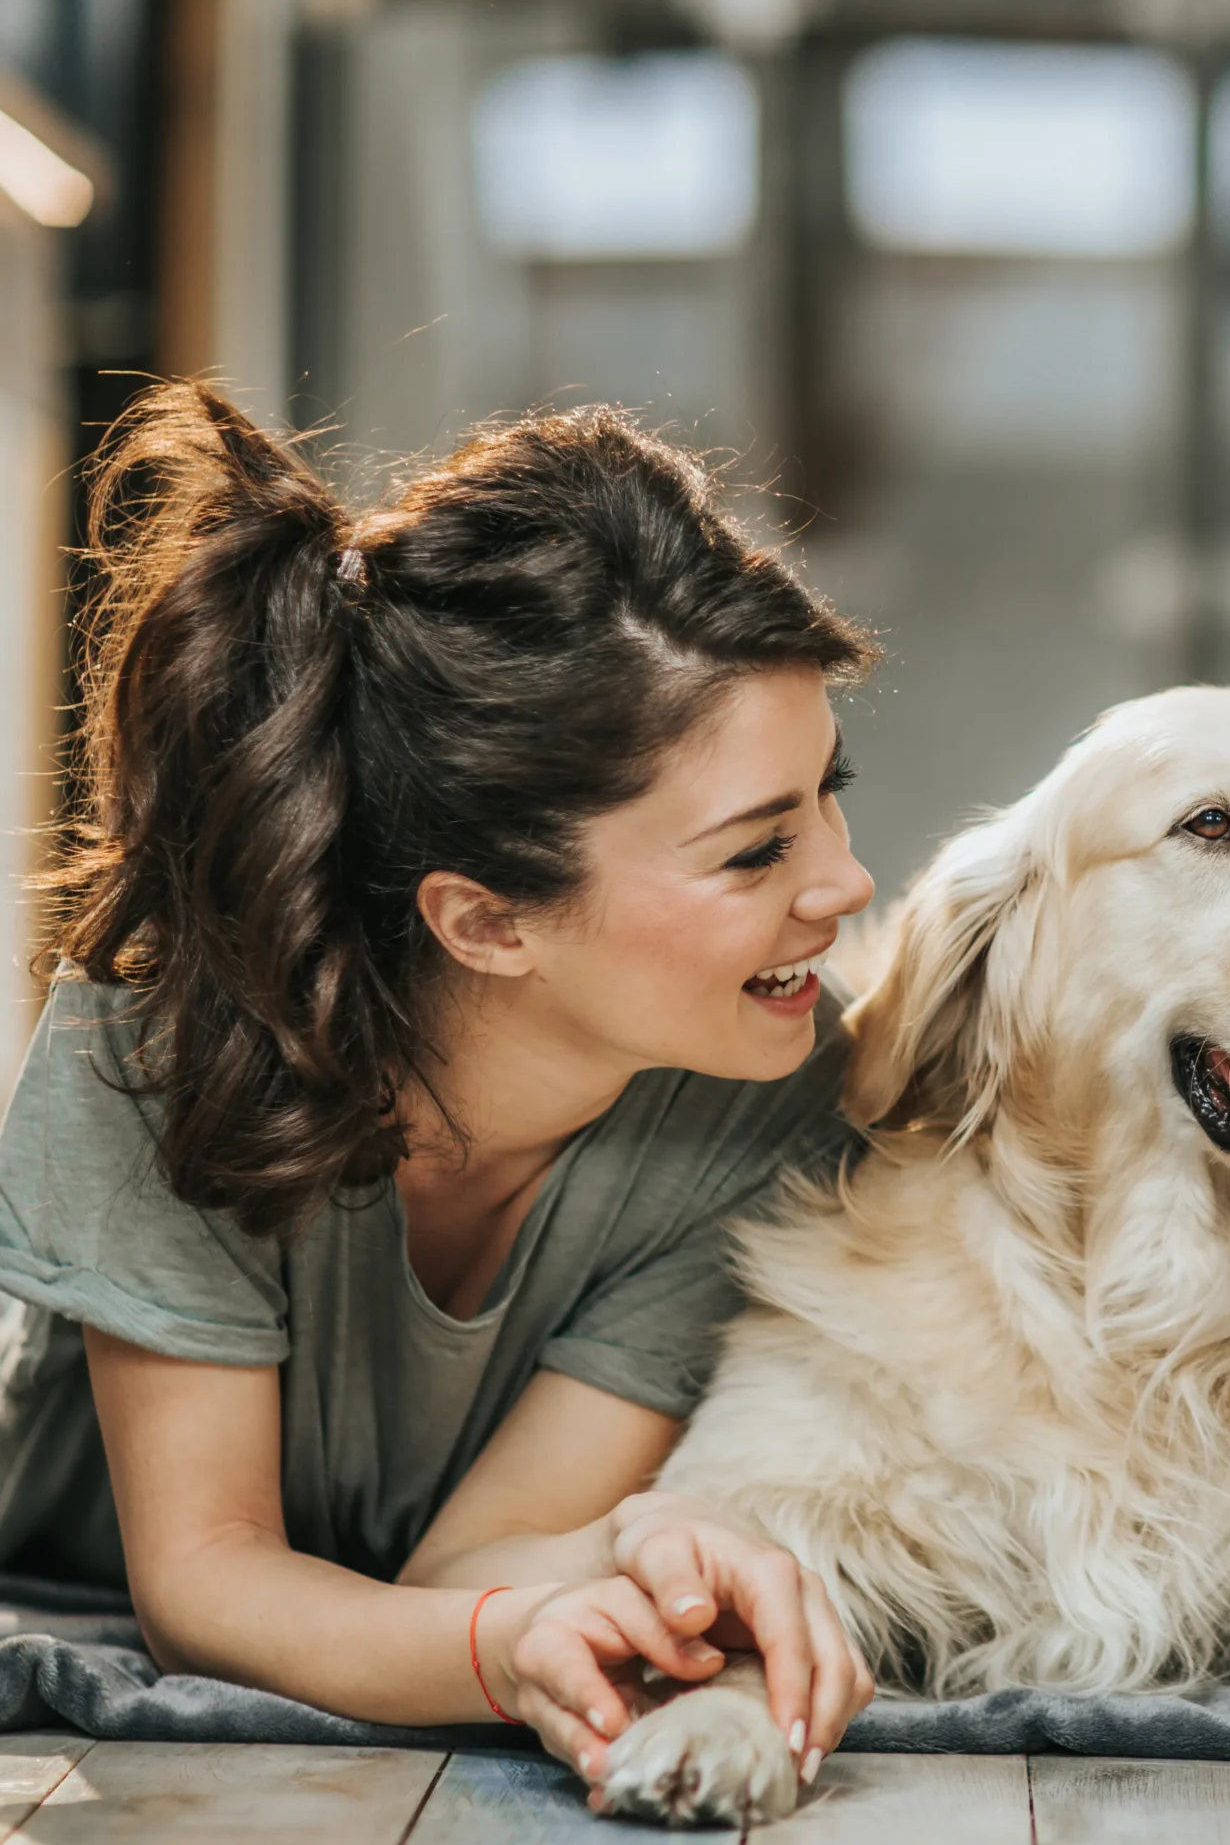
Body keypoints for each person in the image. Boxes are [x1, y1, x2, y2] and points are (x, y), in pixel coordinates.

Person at [0, 383, 875, 1798]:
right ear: (487, 922)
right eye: (754, 852)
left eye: (833, 792)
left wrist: (634, 1554)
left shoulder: (770, 1095)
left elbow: (475, 1566)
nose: (845, 880)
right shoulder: (159, 1053)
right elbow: (206, 1582)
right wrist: (509, 1639)